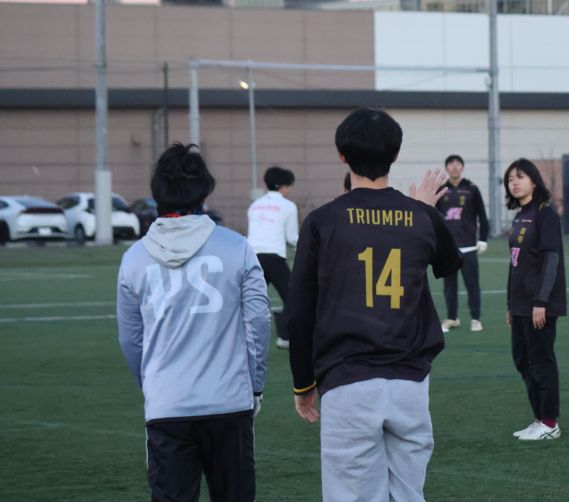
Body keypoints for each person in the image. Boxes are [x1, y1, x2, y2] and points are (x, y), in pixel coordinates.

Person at [287, 108, 462, 502]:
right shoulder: (421, 216)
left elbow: (299, 311)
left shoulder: (322, 221)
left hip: (347, 381)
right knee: (408, 495)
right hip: (410, 382)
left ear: (342, 155)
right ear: (395, 155)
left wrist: (303, 384)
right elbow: (450, 263)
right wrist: (423, 210)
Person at [117, 143, 270, 502]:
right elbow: (258, 322)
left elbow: (131, 339)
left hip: (167, 403)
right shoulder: (237, 247)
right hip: (229, 400)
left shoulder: (133, 258)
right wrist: (254, 385)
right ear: (204, 191)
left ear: (158, 193)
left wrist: (153, 384)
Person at [504, 158, 566, 442]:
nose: (514, 183)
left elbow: (551, 261)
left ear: (533, 180)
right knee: (522, 360)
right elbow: (514, 264)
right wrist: (510, 304)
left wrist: (541, 302)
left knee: (541, 361)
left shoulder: (545, 214)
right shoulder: (520, 216)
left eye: (520, 177)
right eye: (510, 179)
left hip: (538, 304)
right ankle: (539, 418)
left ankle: (550, 423)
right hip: (519, 304)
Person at [436, 154, 490, 333]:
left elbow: (482, 216)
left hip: (468, 247)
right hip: (448, 249)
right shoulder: (441, 190)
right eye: (451, 164)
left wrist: (483, 239)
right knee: (449, 287)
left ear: (462, 167)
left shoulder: (472, 189)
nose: (454, 167)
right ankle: (452, 319)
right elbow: (434, 218)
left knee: (472, 285)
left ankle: (475, 319)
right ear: (447, 168)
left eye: (458, 164)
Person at [247, 166, 299, 350]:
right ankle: (285, 337)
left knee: (249, 300)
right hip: (274, 258)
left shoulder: (254, 205)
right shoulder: (288, 206)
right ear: (283, 186)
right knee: (292, 297)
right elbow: (291, 238)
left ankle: (241, 338)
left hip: (252, 257)